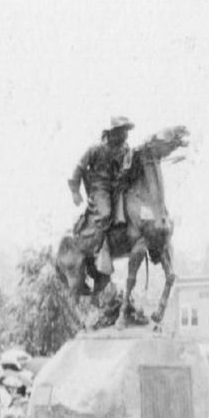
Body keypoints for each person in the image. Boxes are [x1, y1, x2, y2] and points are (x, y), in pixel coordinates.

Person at [67, 116, 137, 289]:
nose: (125, 135)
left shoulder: (126, 150)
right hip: (100, 188)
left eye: (126, 132)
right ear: (112, 132)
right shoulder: (96, 149)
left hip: (118, 187)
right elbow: (79, 167)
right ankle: (97, 254)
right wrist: (75, 191)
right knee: (105, 214)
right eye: (121, 131)